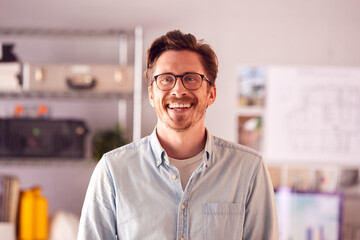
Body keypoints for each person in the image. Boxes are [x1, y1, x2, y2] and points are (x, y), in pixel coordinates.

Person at [77, 30, 278, 240]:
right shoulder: (112, 171)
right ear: (152, 94)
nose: (178, 90)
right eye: (166, 79)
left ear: (211, 94)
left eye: (191, 78)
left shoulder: (249, 170)